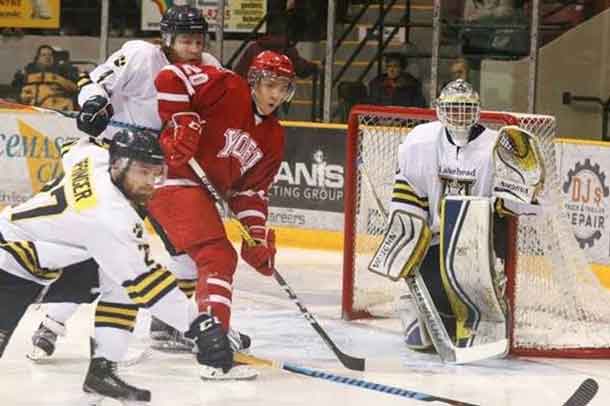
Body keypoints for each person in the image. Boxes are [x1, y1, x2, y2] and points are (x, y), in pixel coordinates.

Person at [27, 4, 229, 363]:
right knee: (101, 251)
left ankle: (167, 328)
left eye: (199, 40)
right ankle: (52, 323)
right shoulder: (140, 55)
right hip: (110, 164)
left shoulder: (210, 69)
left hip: (159, 174)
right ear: (167, 39)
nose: (194, 48)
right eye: (185, 41)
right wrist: (93, 108)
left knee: (184, 253)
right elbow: (92, 82)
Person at [0, 129, 232, 403]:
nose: (151, 183)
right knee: (129, 280)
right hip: (9, 264)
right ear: (119, 166)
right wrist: (199, 326)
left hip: (40, 258)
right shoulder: (111, 217)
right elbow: (148, 285)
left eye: (156, 174)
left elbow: (74, 145)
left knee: (117, 281)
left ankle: (101, 372)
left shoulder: (94, 157)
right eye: (142, 173)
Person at [148, 50, 296, 377]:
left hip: (198, 191)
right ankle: (214, 350)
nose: (275, 94)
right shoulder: (227, 86)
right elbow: (171, 76)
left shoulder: (274, 136)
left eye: (283, 87)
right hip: (170, 178)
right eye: (270, 84)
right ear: (254, 81)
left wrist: (255, 236)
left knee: (195, 260)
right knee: (217, 256)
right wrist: (181, 120)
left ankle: (171, 324)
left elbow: (251, 191)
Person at [377, 79, 541, 359]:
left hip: (478, 242)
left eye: (466, 108)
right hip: (435, 240)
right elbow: (408, 194)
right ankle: (412, 306)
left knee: (472, 318)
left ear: (477, 110)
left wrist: (517, 197)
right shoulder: (421, 140)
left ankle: (485, 312)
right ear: (439, 110)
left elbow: (522, 207)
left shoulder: (495, 145)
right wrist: (409, 237)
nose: (459, 115)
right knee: (421, 340)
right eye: (453, 108)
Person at [11, 44, 79, 110]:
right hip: (31, 110)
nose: (47, 57)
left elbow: (75, 89)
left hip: (57, 110)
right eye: (43, 55)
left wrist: (55, 78)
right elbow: (17, 90)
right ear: (38, 58)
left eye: (50, 55)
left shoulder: (64, 71)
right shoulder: (27, 73)